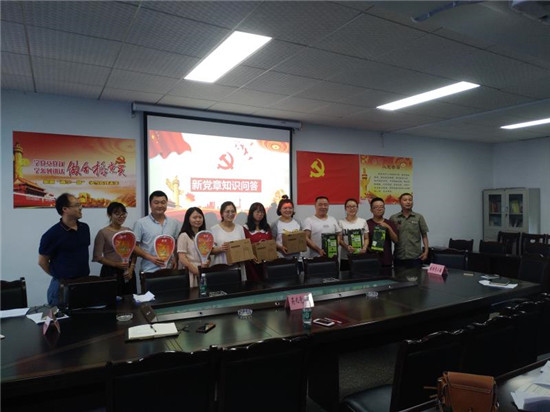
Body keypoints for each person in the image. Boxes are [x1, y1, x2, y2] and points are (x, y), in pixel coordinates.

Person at [38, 193, 90, 306]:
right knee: (61, 317)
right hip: (62, 287)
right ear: (65, 209)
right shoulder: (52, 234)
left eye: (80, 204)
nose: (80, 207)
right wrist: (59, 276)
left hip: (83, 283)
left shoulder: (84, 228)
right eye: (76, 205)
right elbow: (42, 262)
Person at [92, 202, 137, 295]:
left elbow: (134, 252)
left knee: (130, 299)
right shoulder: (103, 233)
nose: (121, 216)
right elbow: (97, 257)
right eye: (117, 214)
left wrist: (131, 268)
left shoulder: (128, 231)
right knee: (111, 300)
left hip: (128, 271)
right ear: (109, 215)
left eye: (123, 213)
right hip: (110, 272)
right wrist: (116, 264)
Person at [133, 190, 180, 273]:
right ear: (150, 204)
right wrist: (150, 257)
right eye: (156, 203)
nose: (160, 205)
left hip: (169, 269)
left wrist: (175, 258)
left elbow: (176, 243)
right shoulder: (140, 223)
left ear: (166, 204)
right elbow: (134, 246)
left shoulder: (174, 223)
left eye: (163, 202)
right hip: (149, 270)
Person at [390, 193, 429, 267]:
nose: (408, 202)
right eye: (405, 200)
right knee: (398, 274)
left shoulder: (419, 217)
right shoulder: (394, 218)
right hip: (399, 256)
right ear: (400, 202)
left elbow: (424, 235)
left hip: (415, 256)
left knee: (416, 274)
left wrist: (426, 251)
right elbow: (390, 237)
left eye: (410, 200)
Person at [210, 201, 247, 280]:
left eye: (233, 211)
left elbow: (244, 246)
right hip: (221, 265)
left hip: (238, 265)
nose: (230, 214)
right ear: (222, 214)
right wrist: (220, 249)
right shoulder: (214, 229)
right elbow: (210, 251)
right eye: (227, 211)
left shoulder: (240, 228)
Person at [177, 207, 210, 287]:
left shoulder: (204, 236)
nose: (198, 220)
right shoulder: (184, 235)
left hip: (202, 270)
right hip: (190, 272)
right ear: (188, 219)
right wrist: (196, 271)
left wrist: (207, 262)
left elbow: (207, 253)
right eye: (194, 217)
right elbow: (182, 258)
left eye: (200, 217)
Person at [367, 197, 398, 274]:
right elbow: (364, 241)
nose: (379, 209)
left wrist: (388, 227)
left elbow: (396, 240)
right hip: (371, 260)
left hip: (386, 260)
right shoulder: (367, 223)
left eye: (381, 207)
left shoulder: (389, 223)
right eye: (376, 207)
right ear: (371, 210)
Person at [244, 202, 273, 281]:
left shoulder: (267, 227)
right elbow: (245, 247)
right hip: (252, 263)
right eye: (257, 212)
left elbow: (271, 242)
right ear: (251, 213)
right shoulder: (245, 228)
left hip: (266, 262)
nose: (260, 214)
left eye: (262, 212)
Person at [338, 198, 369, 271]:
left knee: (361, 276)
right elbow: (340, 239)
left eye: (354, 206)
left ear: (357, 208)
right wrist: (347, 247)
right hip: (346, 257)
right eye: (349, 206)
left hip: (360, 255)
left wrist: (364, 248)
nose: (351, 208)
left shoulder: (363, 221)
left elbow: (366, 238)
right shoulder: (341, 222)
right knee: (345, 276)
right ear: (345, 208)